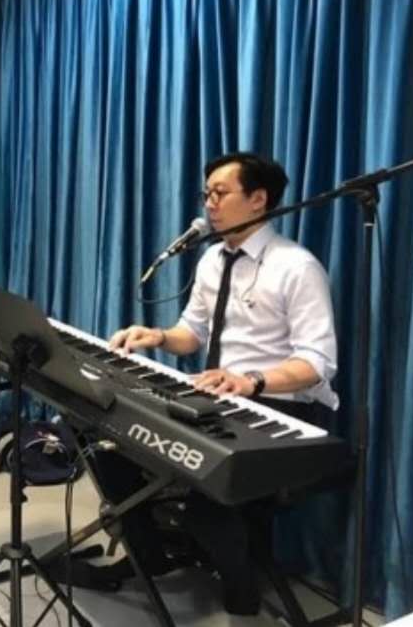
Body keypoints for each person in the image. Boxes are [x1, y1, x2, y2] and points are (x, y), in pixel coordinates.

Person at [100, 152, 339, 615]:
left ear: (258, 199)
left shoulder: (296, 267)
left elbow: (318, 362)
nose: (209, 203)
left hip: (278, 405)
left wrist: (251, 381)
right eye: (206, 193)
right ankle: (152, 559)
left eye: (220, 193)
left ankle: (240, 594)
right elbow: (192, 334)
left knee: (209, 501)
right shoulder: (212, 258)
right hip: (219, 395)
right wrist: (158, 336)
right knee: (108, 450)